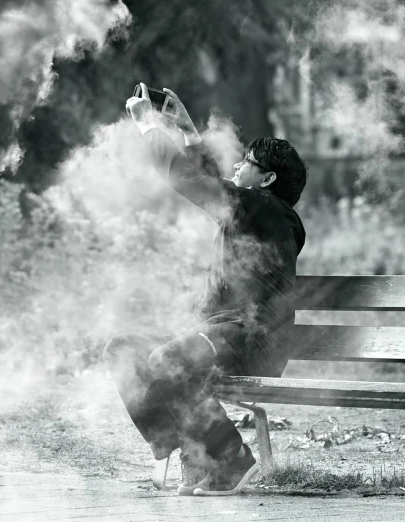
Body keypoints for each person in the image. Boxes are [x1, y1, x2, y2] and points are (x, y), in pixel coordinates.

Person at [104, 83, 307, 496]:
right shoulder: (252, 212)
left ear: (266, 179)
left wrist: (147, 125)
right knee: (124, 348)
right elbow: (212, 184)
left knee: (168, 360)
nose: (236, 167)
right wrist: (188, 130)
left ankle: (230, 461)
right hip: (220, 331)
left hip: (252, 339)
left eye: (246, 162)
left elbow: (193, 182)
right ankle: (189, 451)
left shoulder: (267, 210)